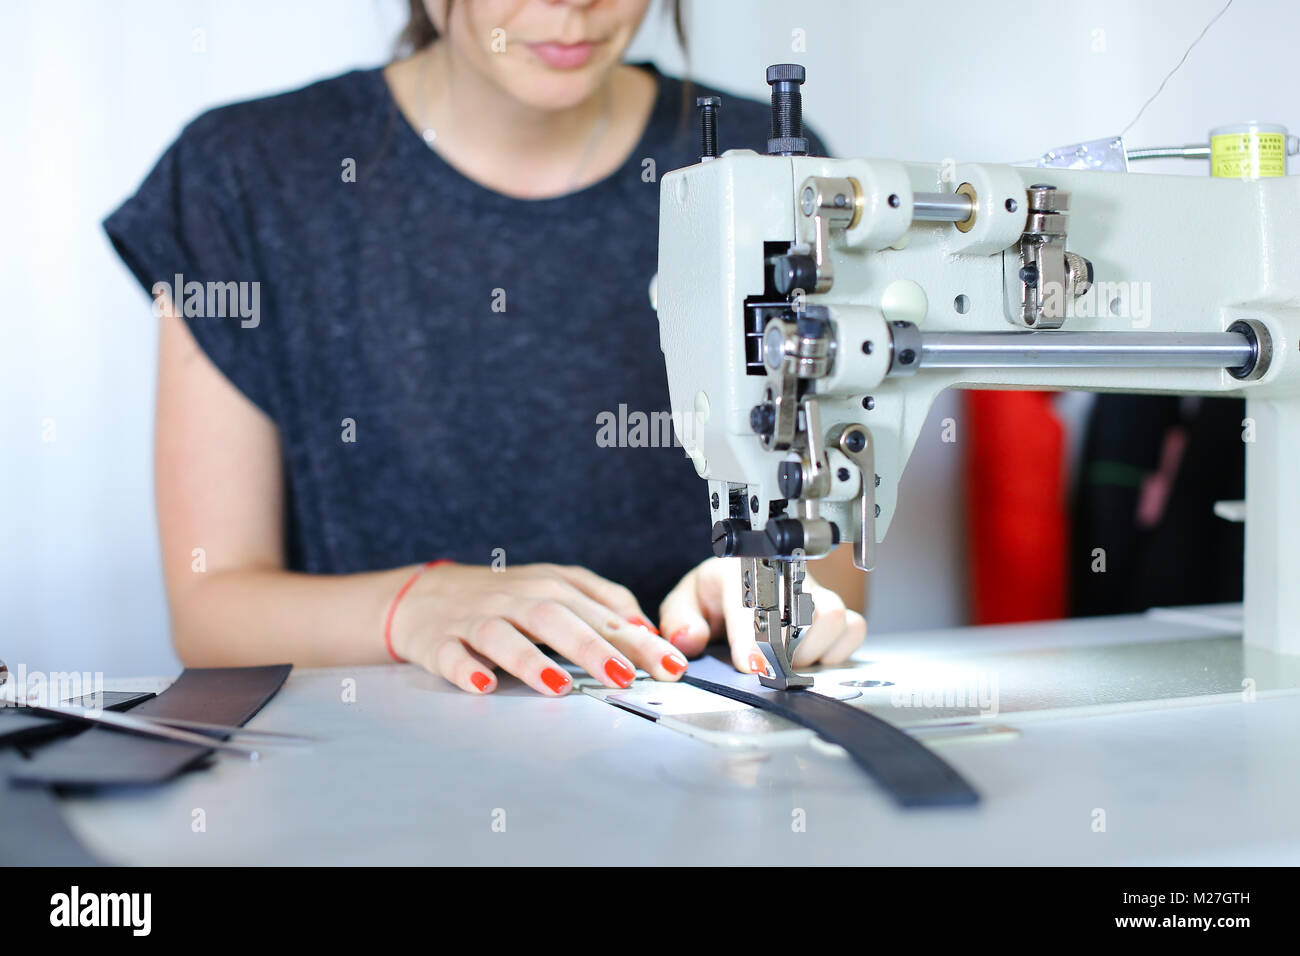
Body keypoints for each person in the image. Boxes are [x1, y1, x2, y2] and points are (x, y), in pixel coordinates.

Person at [103, 0, 867, 697]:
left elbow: (831, 559)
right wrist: (414, 605)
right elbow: (214, 607)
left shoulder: (766, 172)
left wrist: (770, 588)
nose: (574, 6)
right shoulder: (243, 176)